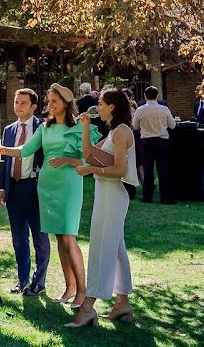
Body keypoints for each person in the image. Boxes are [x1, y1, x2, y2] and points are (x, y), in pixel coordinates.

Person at [0, 83, 97, 309]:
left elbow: (89, 159)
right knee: (61, 239)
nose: (50, 105)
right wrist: (2, 150)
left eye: (54, 101)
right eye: (48, 101)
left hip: (68, 185)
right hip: (47, 187)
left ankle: (83, 292)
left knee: (69, 237)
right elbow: (24, 151)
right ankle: (69, 287)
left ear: (65, 103)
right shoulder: (44, 128)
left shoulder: (77, 127)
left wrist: (68, 160)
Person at [67, 89, 139, 328]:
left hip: (114, 195)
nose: (97, 105)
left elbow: (119, 170)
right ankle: (123, 303)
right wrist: (86, 127)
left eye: (101, 102)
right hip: (104, 193)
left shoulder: (122, 132)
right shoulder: (113, 132)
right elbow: (88, 154)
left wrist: (92, 170)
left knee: (101, 248)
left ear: (112, 107)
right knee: (116, 248)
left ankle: (88, 307)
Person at [0, 88, 49, 296]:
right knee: (19, 238)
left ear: (33, 106)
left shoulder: (43, 128)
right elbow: (5, 161)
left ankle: (39, 281)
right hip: (14, 188)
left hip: (34, 187)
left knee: (39, 236)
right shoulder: (9, 130)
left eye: (23, 103)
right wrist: (2, 187)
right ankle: (22, 280)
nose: (18, 106)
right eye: (16, 102)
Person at [133, 86, 176, 204]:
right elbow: (172, 125)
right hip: (162, 141)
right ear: (157, 96)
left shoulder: (140, 110)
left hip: (146, 141)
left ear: (144, 96)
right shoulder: (164, 109)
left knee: (148, 170)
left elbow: (135, 126)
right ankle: (166, 197)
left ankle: (147, 196)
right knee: (163, 170)